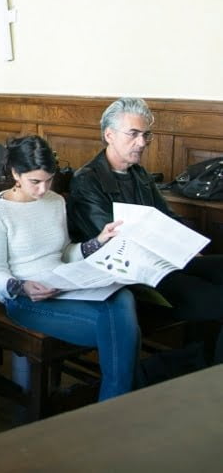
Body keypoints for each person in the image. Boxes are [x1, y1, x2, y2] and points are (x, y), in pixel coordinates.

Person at [0, 135, 140, 401]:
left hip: (63, 283)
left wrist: (98, 241)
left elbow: (64, 252)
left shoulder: (55, 201)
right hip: (25, 298)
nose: (43, 189)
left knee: (122, 298)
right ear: (15, 173)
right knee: (121, 330)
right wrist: (21, 286)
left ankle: (113, 406)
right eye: (35, 181)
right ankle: (118, 407)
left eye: (49, 180)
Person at [67, 97, 223, 363]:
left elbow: (167, 217)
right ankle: (199, 369)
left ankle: (201, 360)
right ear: (109, 135)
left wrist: (187, 245)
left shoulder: (139, 174)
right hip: (130, 272)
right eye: (134, 134)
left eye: (146, 135)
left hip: (163, 259)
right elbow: (112, 241)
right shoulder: (87, 180)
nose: (141, 142)